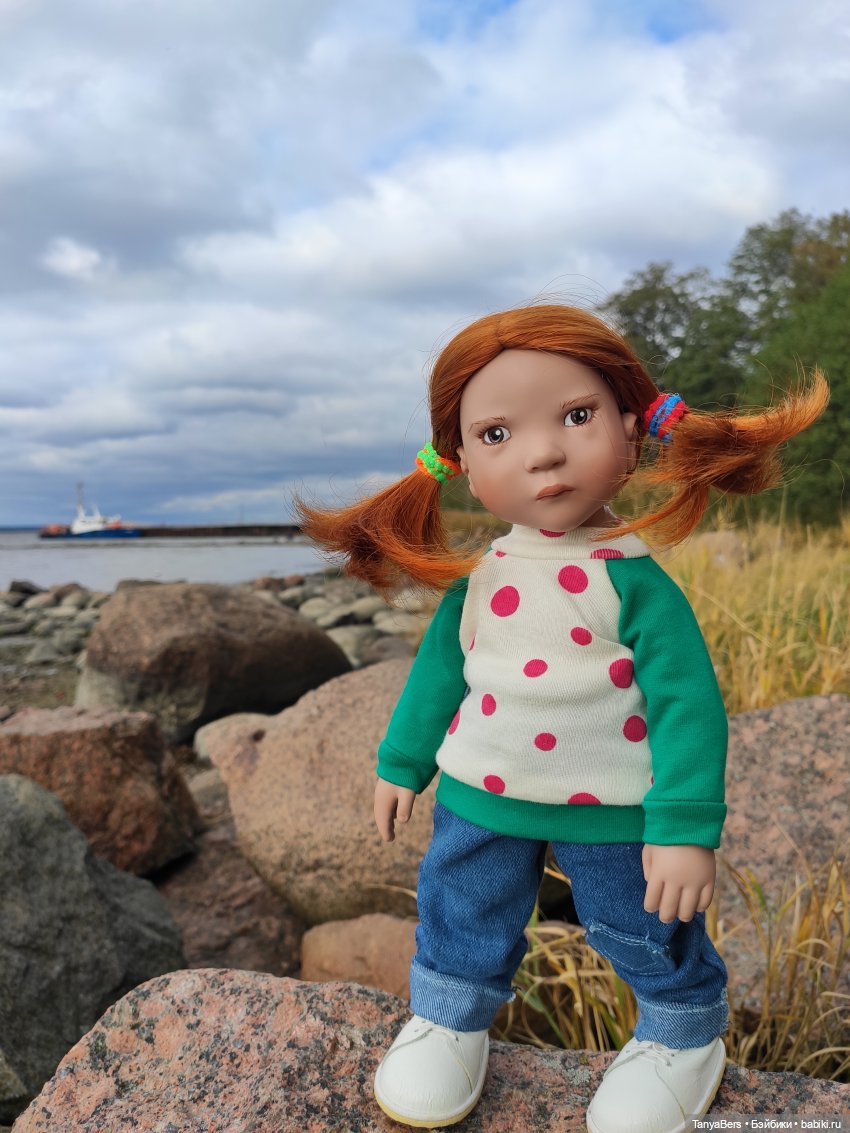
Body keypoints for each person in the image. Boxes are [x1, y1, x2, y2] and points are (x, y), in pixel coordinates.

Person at [296, 305, 828, 1133]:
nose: (543, 453)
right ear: (462, 463)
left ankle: (682, 1031)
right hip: (480, 792)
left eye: (577, 417)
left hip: (612, 801)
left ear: (631, 428)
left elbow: (688, 705)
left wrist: (685, 826)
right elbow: (440, 673)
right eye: (497, 434)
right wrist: (402, 760)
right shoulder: (483, 575)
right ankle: (449, 1015)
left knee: (643, 922)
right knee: (462, 910)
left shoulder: (635, 581)